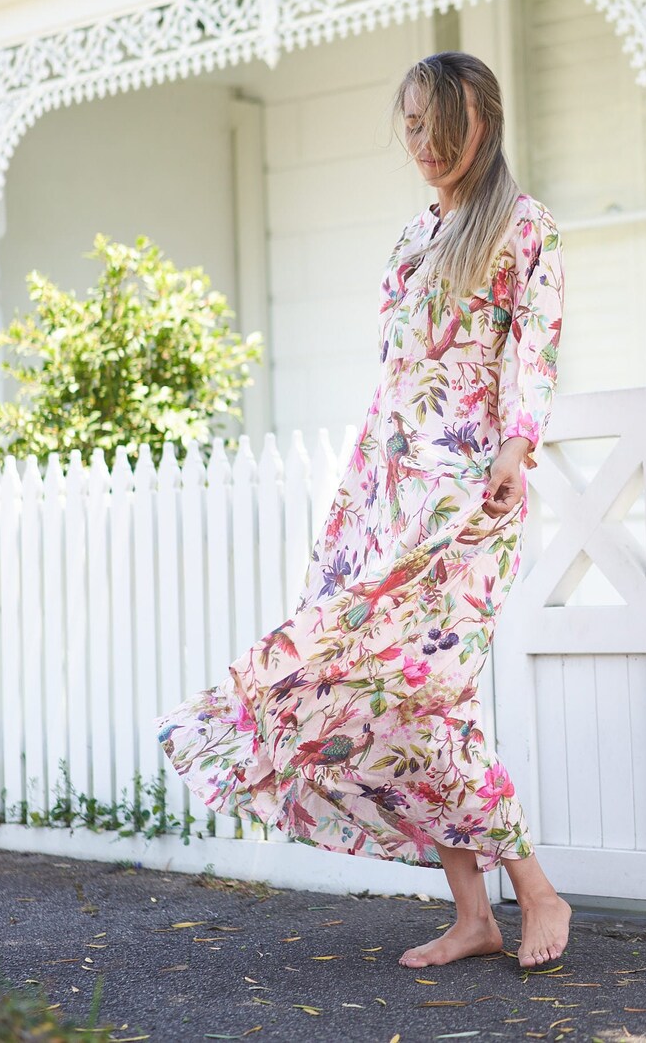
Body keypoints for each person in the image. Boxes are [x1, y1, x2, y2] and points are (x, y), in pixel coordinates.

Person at [154, 51, 569, 969]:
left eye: (440, 126)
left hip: (463, 498)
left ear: (483, 126)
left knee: (432, 691)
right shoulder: (417, 237)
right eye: (413, 126)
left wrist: (514, 447)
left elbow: (532, 352)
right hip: (385, 494)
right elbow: (393, 385)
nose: (423, 144)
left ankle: (536, 892)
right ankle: (478, 912)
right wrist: (357, 507)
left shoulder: (524, 227)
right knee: (397, 703)